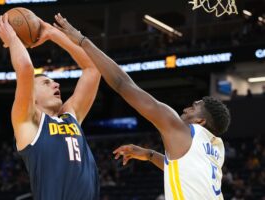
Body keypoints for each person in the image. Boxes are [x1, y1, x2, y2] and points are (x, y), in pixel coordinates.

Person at [53, 13, 231, 199]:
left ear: (201, 121)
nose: (186, 108)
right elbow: (187, 170)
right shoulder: (216, 148)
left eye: (194, 107)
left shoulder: (183, 130)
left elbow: (122, 83)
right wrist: (150, 155)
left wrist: (82, 40)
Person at [0, 14, 101, 200]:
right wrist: (12, 38)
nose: (56, 85)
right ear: (32, 97)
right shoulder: (28, 123)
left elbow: (93, 69)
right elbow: (26, 69)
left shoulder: (70, 115)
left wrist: (52, 33)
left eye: (54, 82)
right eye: (46, 83)